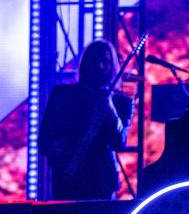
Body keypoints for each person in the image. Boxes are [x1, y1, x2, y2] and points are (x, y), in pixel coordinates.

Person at [39, 40, 133, 200]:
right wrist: (60, 151)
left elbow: (119, 142)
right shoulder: (62, 95)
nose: (100, 66)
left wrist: (110, 109)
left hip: (101, 181)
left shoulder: (122, 102)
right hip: (67, 178)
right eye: (95, 60)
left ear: (113, 66)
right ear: (85, 63)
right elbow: (44, 139)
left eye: (105, 61)